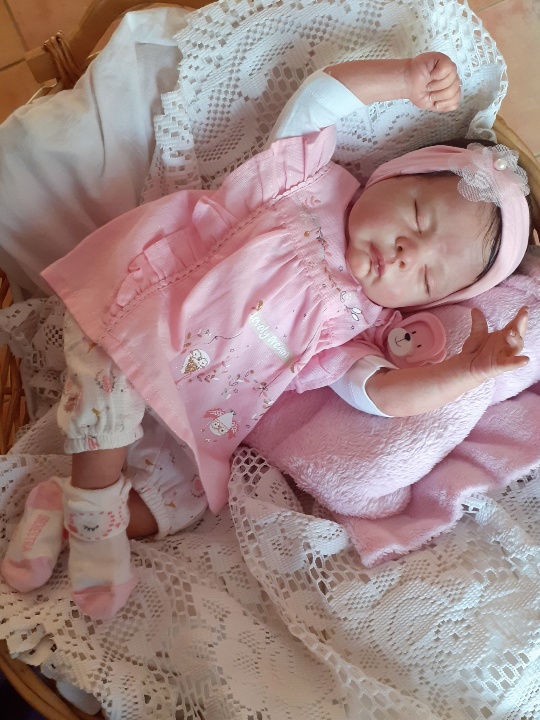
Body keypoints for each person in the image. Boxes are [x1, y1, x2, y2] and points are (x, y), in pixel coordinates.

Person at [1, 52, 531, 620]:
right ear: (390, 177)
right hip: (139, 318)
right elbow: (319, 96)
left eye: (427, 275)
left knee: (186, 498)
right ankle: (93, 512)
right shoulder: (305, 182)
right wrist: (402, 78)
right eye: (418, 216)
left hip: (198, 413)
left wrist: (465, 372)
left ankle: (59, 505)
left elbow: (382, 398)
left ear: (424, 304)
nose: (408, 251)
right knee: (110, 392)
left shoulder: (360, 327)